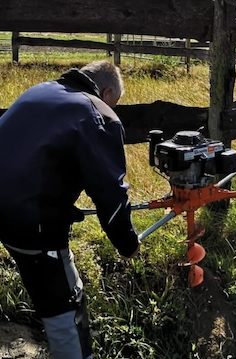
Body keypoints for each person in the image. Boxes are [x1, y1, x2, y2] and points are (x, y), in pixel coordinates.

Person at [0, 60, 140, 358]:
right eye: (113, 102)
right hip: (33, 226)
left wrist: (62, 204)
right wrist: (127, 243)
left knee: (41, 284)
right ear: (105, 91)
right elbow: (110, 194)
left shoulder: (40, 92)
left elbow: (34, 157)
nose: (111, 108)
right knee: (66, 308)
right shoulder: (95, 113)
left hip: (7, 214)